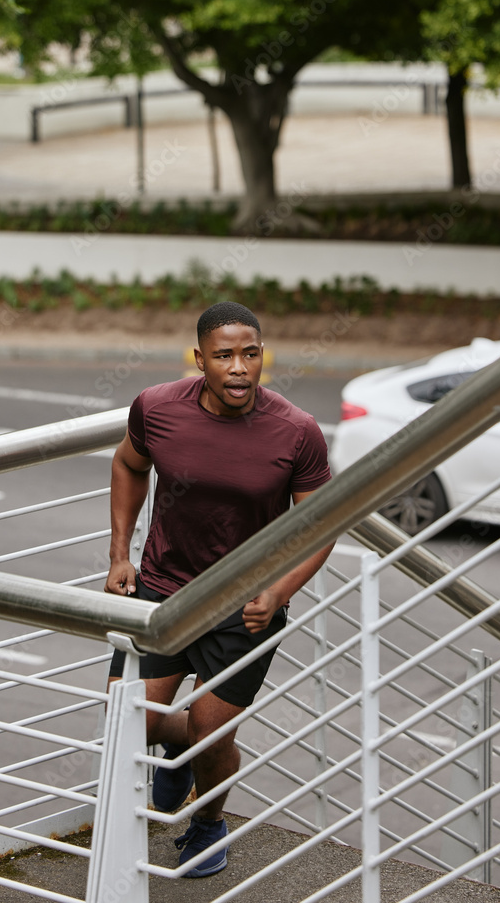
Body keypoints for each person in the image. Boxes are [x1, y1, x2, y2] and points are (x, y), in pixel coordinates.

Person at [106, 300, 334, 878]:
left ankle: (208, 822)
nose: (239, 368)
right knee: (131, 719)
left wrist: (278, 592)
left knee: (212, 733)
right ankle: (178, 748)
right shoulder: (157, 408)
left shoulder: (296, 431)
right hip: (162, 593)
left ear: (263, 357)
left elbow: (321, 526)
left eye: (251, 354)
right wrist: (118, 554)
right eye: (225, 355)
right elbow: (129, 465)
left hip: (244, 607)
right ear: (200, 359)